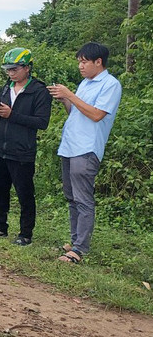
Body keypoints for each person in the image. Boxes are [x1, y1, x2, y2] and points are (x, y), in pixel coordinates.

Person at [48, 42, 122, 264]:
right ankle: (75, 240)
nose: (80, 66)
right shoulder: (85, 83)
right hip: (70, 146)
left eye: (84, 62)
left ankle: (80, 249)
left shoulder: (110, 84)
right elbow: (76, 112)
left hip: (87, 148)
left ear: (98, 62)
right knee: (72, 198)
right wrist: (65, 100)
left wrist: (70, 94)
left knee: (83, 199)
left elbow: (97, 114)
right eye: (79, 62)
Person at [0, 47, 52, 246]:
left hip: (22, 151)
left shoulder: (39, 90)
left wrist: (11, 114)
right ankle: (0, 227)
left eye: (14, 69)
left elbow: (41, 122)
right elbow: (4, 119)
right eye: (8, 69)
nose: (10, 73)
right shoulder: (7, 87)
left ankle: (25, 234)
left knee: (24, 193)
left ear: (27, 68)